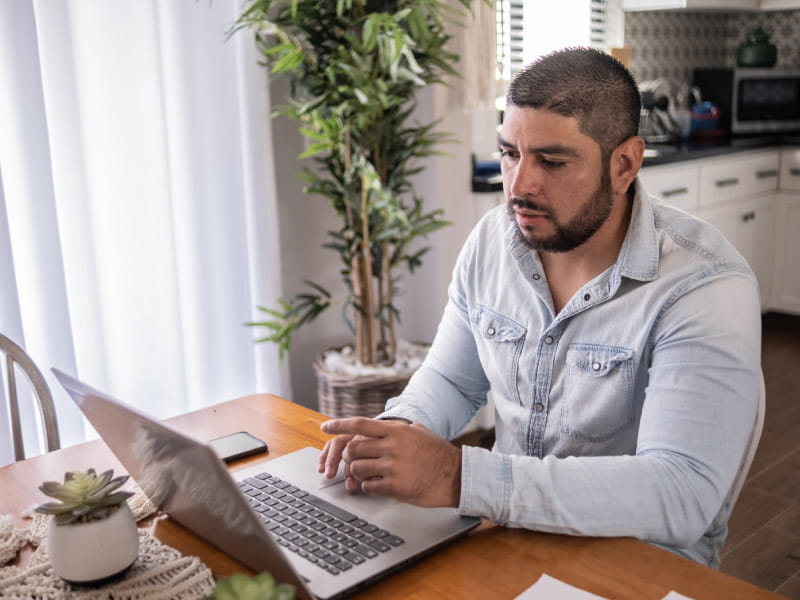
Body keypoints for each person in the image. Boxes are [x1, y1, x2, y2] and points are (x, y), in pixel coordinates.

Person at [318, 47, 762, 568]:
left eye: (551, 161)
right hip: (507, 535)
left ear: (624, 164)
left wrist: (456, 476)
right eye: (510, 153)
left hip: (637, 564)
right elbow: (453, 379)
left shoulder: (704, 286)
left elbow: (680, 493)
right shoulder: (493, 241)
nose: (519, 186)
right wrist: (399, 433)